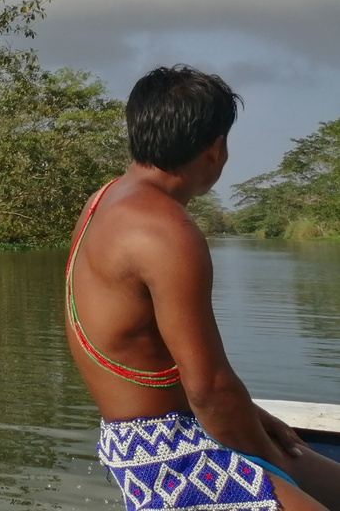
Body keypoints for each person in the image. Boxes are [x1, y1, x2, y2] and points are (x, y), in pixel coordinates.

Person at [66, 65, 340, 511]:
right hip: (167, 453)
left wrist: (252, 416)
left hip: (133, 439)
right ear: (215, 150)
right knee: (296, 467)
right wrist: (272, 463)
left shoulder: (104, 198)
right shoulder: (166, 230)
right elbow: (208, 388)